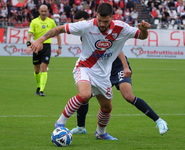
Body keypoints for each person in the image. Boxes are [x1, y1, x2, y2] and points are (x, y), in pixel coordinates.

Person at [31, 3, 152, 140]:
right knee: (85, 95)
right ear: (96, 16)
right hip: (84, 67)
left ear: (111, 18)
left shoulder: (121, 27)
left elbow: (142, 36)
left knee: (107, 107)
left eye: (105, 21)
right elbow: (59, 29)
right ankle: (60, 123)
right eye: (99, 20)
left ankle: (100, 133)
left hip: (103, 74)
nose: (101, 24)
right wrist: (41, 39)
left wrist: (143, 30)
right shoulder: (87, 25)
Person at [70, 11, 168, 136]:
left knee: (128, 96)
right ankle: (81, 127)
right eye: (76, 22)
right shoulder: (86, 31)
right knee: (84, 96)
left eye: (80, 22)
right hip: (101, 70)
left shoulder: (100, 29)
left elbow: (118, 49)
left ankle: (159, 121)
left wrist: (125, 66)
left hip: (117, 67)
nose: (78, 25)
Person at [26, 4, 62, 96]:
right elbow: (29, 35)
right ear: (39, 11)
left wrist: (59, 47)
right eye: (42, 11)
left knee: (44, 67)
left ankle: (42, 90)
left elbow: (58, 34)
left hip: (46, 46)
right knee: (37, 70)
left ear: (47, 11)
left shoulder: (51, 22)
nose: (43, 13)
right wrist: (28, 45)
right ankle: (38, 87)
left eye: (45, 11)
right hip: (36, 46)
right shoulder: (34, 22)